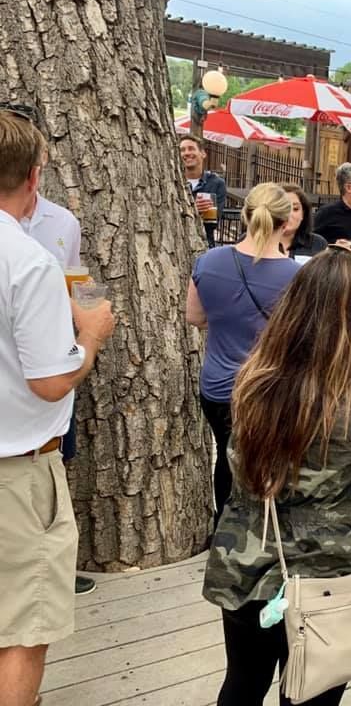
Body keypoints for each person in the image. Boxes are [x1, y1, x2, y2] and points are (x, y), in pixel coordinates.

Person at [202, 246, 351, 706]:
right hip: (326, 575)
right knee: (312, 695)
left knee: (243, 683)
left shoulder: (254, 379)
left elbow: (242, 471)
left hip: (245, 562)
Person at [0, 111, 115, 706]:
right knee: (25, 624)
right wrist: (90, 334)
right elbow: (50, 382)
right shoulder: (26, 259)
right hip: (16, 470)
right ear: (33, 177)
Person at [186, 182, 299, 527]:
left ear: (245, 216)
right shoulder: (297, 277)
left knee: (226, 455)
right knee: (271, 461)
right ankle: (264, 528)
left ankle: (225, 527)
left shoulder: (208, 261)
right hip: (269, 389)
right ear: (285, 223)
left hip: (217, 387)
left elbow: (195, 317)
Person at [18, 184, 96, 595]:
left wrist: (92, 306)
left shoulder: (63, 221)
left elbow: (77, 285)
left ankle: (53, 564)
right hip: (19, 368)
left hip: (55, 355)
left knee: (56, 462)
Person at [180, 135, 227, 250]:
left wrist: (190, 211)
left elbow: (213, 223)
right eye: (182, 150)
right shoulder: (172, 181)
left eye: (191, 148)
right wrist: (194, 208)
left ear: (203, 154)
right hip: (176, 245)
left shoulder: (216, 183)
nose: (186, 153)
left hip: (204, 245)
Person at [278, 183, 326, 261]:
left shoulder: (318, 243)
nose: (289, 214)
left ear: (303, 213)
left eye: (295, 209)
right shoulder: (260, 242)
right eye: (282, 208)